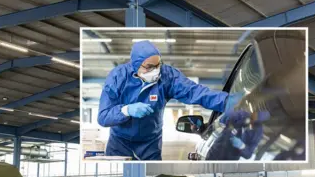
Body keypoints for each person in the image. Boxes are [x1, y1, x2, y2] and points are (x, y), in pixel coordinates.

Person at [98, 40, 228, 160]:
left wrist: (229, 102)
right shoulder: (118, 77)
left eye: (158, 65)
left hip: (150, 142)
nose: (156, 71)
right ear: (136, 65)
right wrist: (126, 110)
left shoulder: (167, 76)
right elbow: (103, 117)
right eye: (149, 67)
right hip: (120, 142)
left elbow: (196, 92)